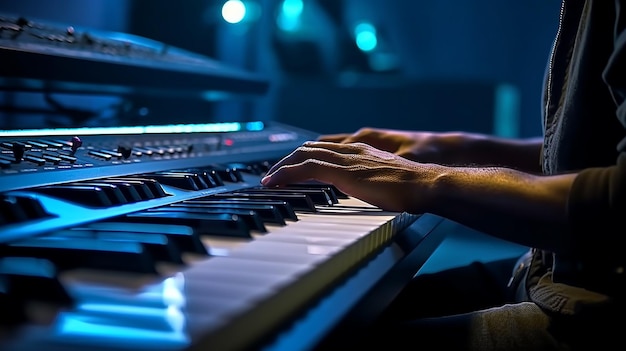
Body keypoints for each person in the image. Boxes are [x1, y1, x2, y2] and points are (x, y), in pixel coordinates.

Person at [260, 0, 626, 349]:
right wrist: (450, 146)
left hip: (591, 312)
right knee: (309, 316)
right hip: (547, 271)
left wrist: (422, 180)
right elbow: (589, 152)